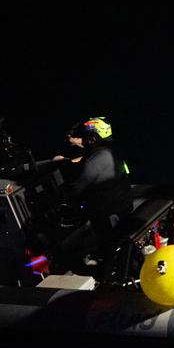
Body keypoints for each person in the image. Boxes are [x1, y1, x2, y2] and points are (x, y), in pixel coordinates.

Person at [52, 117, 133, 281]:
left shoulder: (98, 159)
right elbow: (87, 163)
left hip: (109, 215)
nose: (83, 140)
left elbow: (76, 188)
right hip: (122, 206)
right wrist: (68, 161)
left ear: (93, 138)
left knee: (79, 242)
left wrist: (58, 196)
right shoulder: (110, 151)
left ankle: (105, 276)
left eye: (85, 137)